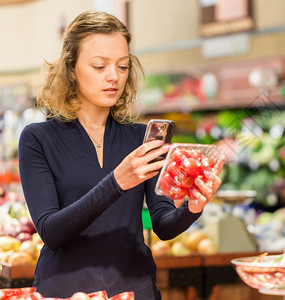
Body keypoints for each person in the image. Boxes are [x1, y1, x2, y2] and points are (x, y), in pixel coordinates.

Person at [18, 11, 222, 300]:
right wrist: (116, 182)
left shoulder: (141, 138)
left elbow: (163, 224)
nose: (114, 76)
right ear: (71, 69)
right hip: (66, 293)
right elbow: (51, 231)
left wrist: (192, 206)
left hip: (135, 289)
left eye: (123, 66)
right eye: (100, 66)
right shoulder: (37, 139)